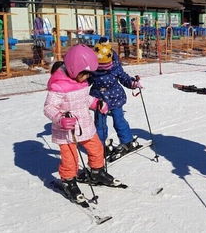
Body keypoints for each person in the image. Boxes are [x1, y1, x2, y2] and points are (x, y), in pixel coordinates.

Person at [43, 45, 117, 204]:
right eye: (83, 74)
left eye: (88, 75)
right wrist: (60, 119)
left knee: (97, 149)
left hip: (85, 125)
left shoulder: (82, 83)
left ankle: (96, 172)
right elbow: (49, 108)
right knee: (71, 160)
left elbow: (84, 99)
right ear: (72, 68)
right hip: (67, 131)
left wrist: (97, 103)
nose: (85, 78)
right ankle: (68, 181)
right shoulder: (58, 86)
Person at [90, 38, 143, 161]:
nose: (103, 70)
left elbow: (124, 78)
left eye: (106, 66)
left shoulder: (115, 67)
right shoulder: (92, 71)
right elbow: (85, 81)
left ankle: (127, 140)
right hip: (99, 100)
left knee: (119, 120)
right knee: (100, 123)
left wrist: (133, 83)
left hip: (115, 98)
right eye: (100, 67)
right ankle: (100, 145)